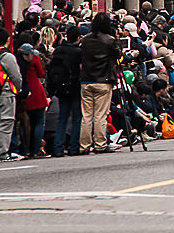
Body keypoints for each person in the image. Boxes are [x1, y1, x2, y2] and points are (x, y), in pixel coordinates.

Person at [79, 12, 121, 154]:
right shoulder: (109, 40)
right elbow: (118, 56)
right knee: (100, 115)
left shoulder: (85, 40)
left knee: (86, 115)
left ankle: (84, 145)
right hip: (103, 80)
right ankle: (100, 143)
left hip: (86, 80)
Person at [0, 28, 22, 162]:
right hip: (5, 91)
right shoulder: (6, 56)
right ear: (8, 39)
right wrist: (18, 89)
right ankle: (1, 153)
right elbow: (16, 76)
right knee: (5, 122)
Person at [48, 27, 83, 157]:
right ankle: (74, 146)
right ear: (78, 38)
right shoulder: (78, 52)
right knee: (76, 117)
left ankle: (58, 147)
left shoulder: (58, 51)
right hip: (74, 87)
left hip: (61, 88)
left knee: (62, 118)